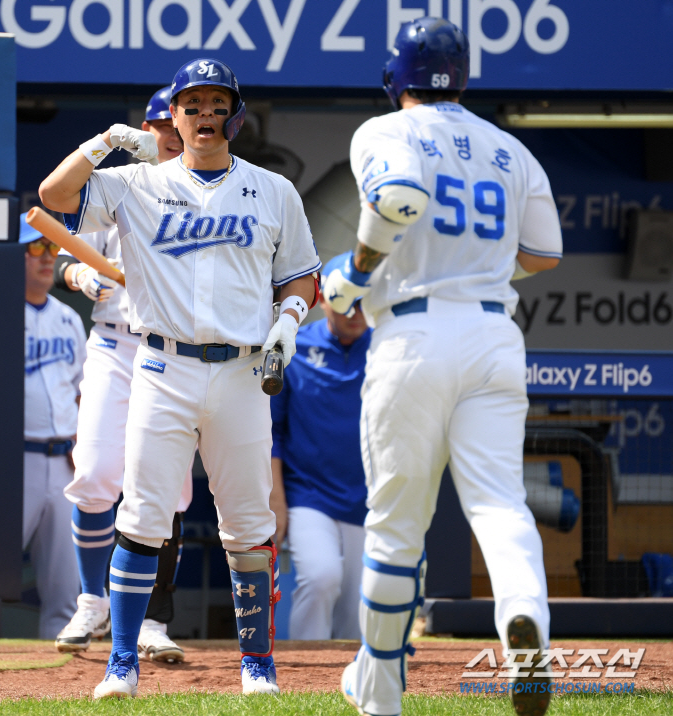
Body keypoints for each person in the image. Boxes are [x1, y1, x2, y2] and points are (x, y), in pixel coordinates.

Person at [39, 57, 320, 699]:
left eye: (216, 106)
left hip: (244, 370)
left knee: (248, 523)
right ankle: (121, 664)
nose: (203, 117)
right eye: (191, 106)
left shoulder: (274, 190)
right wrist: (103, 141)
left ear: (235, 116)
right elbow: (52, 199)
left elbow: (300, 273)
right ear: (173, 115)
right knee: (140, 515)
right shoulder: (133, 181)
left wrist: (292, 318)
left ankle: (257, 665)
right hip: (161, 363)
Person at [323, 18, 562, 716]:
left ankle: (382, 703)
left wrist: (358, 274)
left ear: (396, 76)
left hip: (415, 335)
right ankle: (526, 621)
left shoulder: (384, 132)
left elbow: (398, 200)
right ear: (462, 76)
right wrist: (478, 266)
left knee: (396, 526)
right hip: (492, 331)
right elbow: (544, 255)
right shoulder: (511, 149)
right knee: (500, 502)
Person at [53, 87, 190, 663]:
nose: (168, 136)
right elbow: (64, 255)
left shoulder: (201, 193)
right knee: (94, 474)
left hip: (174, 350)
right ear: (147, 128)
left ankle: (154, 621)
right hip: (113, 343)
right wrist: (83, 280)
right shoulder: (121, 186)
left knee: (166, 490)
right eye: (160, 126)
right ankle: (92, 600)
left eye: (175, 128)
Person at [270, 258, 371, 640]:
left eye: (362, 300)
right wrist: (276, 501)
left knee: (359, 604)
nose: (355, 311)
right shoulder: (292, 347)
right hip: (309, 496)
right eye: (345, 301)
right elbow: (273, 431)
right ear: (324, 299)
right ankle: (306, 679)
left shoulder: (387, 347)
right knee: (321, 575)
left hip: (370, 498)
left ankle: (355, 684)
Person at [21, 213, 86, 639]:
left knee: (66, 594)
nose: (48, 258)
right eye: (36, 249)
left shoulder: (69, 319)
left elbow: (83, 389)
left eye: (52, 249)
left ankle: (58, 690)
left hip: (63, 461)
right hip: (16, 460)